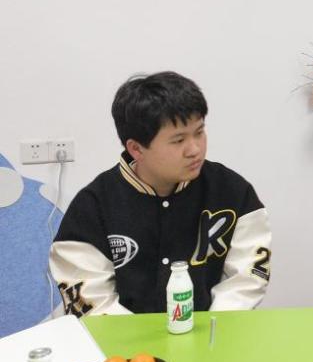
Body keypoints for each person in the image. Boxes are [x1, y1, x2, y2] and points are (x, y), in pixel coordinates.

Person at [50, 71, 272, 316]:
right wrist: (141, 341)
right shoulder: (93, 206)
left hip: (213, 332)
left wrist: (213, 328)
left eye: (199, 132)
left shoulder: (232, 191)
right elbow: (91, 299)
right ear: (136, 149)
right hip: (123, 339)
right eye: (178, 140)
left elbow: (246, 278)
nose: (195, 149)